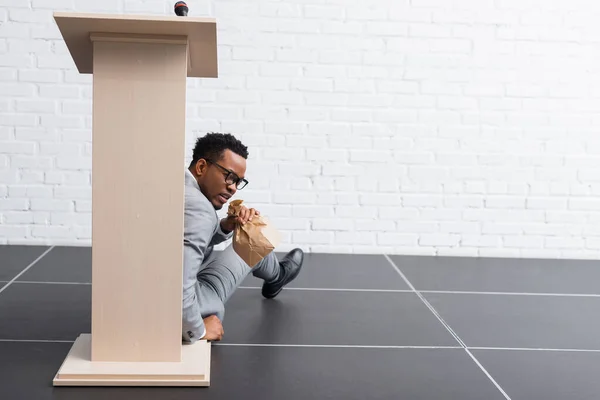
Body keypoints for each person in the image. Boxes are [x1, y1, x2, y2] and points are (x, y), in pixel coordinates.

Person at [182, 132, 304, 343]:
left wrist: (225, 226)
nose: (233, 188)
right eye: (229, 176)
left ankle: (276, 276)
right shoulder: (201, 211)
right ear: (202, 167)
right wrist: (197, 330)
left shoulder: (175, 189)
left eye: (238, 181)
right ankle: (277, 277)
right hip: (189, 308)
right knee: (251, 241)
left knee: (245, 230)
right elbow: (179, 284)